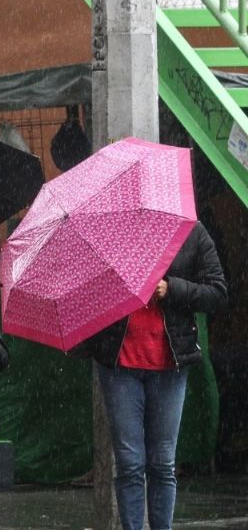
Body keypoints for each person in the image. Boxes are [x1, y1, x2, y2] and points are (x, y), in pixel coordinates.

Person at [79, 222, 227, 530]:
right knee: (130, 463)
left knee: (162, 462)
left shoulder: (193, 233)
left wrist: (172, 288)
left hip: (169, 365)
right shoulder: (112, 233)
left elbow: (217, 292)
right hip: (120, 364)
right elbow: (86, 288)